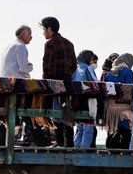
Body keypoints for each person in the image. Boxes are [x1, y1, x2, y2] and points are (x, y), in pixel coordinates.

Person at [41, 16, 77, 147]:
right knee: (66, 110)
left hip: (55, 81)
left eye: (44, 29)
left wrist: (46, 81)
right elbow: (74, 65)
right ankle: (70, 142)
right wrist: (67, 74)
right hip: (67, 81)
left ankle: (60, 141)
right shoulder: (69, 43)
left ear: (49, 29)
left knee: (57, 112)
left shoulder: (49, 43)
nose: (43, 32)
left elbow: (46, 65)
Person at [103, 53, 133, 149]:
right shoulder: (128, 72)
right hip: (124, 107)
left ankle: (110, 152)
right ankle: (124, 156)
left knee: (113, 131)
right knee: (126, 133)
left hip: (112, 108)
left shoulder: (109, 73)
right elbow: (130, 89)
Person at [72, 50, 99, 148]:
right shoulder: (88, 69)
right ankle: (83, 151)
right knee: (88, 129)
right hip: (87, 102)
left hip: (76, 102)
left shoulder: (75, 69)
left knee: (80, 129)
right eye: (92, 59)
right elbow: (96, 83)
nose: (93, 62)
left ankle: (74, 149)